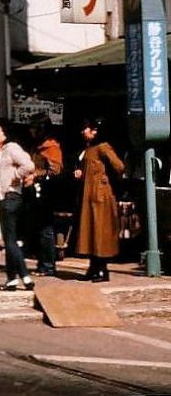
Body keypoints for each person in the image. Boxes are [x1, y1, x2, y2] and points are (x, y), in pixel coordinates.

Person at [73, 117, 125, 282]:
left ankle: (102, 269)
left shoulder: (102, 147)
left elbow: (119, 166)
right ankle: (94, 267)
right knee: (91, 232)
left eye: (86, 129)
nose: (84, 132)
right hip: (90, 195)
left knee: (100, 233)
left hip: (99, 196)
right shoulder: (89, 148)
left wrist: (104, 179)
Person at [0, 118, 37, 291]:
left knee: (10, 239)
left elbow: (29, 165)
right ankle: (12, 278)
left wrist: (15, 176)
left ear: (6, 134)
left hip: (11, 196)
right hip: (5, 197)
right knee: (9, 239)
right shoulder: (1, 150)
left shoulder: (12, 148)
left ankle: (24, 276)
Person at [27, 114, 63, 276]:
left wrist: (36, 173)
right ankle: (42, 263)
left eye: (34, 128)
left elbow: (55, 170)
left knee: (46, 229)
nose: (31, 131)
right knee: (38, 228)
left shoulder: (51, 147)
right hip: (34, 191)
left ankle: (48, 265)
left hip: (46, 192)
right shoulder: (36, 146)